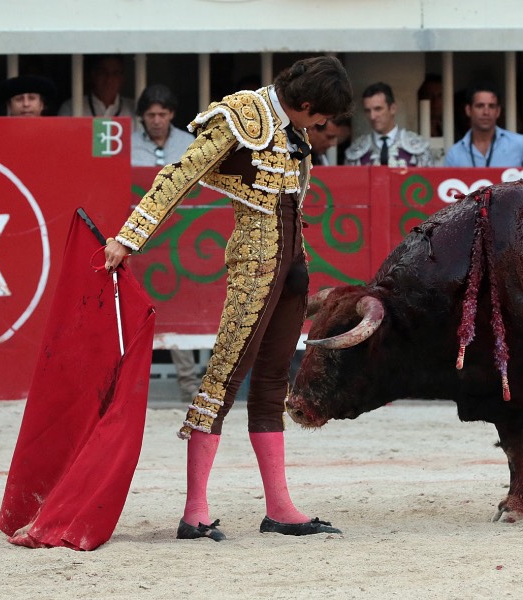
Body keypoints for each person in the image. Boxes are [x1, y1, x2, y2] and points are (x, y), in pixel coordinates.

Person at [103, 56, 353, 540]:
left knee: (273, 384)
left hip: (292, 269)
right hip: (255, 267)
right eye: (321, 116)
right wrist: (129, 237)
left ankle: (279, 508)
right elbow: (180, 174)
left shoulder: (293, 129)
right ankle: (194, 511)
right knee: (221, 379)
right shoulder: (241, 115)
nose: (323, 125)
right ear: (305, 104)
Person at [130, 83, 204, 403]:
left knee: (179, 307)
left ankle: (188, 383)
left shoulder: (189, 143)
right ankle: (131, 385)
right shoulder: (128, 145)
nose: (157, 120)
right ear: (142, 117)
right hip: (139, 236)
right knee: (134, 309)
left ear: (172, 114)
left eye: (162, 114)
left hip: (180, 237)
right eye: (151, 115)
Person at [443, 82, 523, 168]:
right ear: (468, 110)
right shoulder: (455, 154)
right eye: (480, 106)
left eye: (491, 106)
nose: (486, 112)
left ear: (498, 111)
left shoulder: (521, 144)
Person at [345, 82, 432, 167]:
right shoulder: (356, 150)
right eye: (368, 111)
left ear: (392, 109)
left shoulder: (418, 146)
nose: (372, 116)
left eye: (378, 109)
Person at [58, 54, 135, 118]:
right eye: (103, 72)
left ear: (122, 78)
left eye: (115, 73)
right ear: (93, 74)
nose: (109, 79)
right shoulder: (71, 108)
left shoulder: (133, 108)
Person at [417, 73, 444, 137]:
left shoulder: (452, 127)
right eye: (429, 95)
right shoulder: (414, 126)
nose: (435, 101)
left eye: (440, 96)